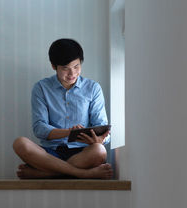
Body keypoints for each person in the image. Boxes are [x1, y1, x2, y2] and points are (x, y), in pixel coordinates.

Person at [13, 38, 113, 179]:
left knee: (99, 151)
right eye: (65, 68)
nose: (72, 74)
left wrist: (99, 139)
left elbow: (102, 127)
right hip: (51, 152)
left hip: (83, 152)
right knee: (20, 143)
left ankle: (45, 173)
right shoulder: (41, 88)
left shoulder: (93, 88)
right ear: (54, 66)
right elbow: (39, 128)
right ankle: (83, 173)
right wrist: (67, 133)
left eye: (76, 66)